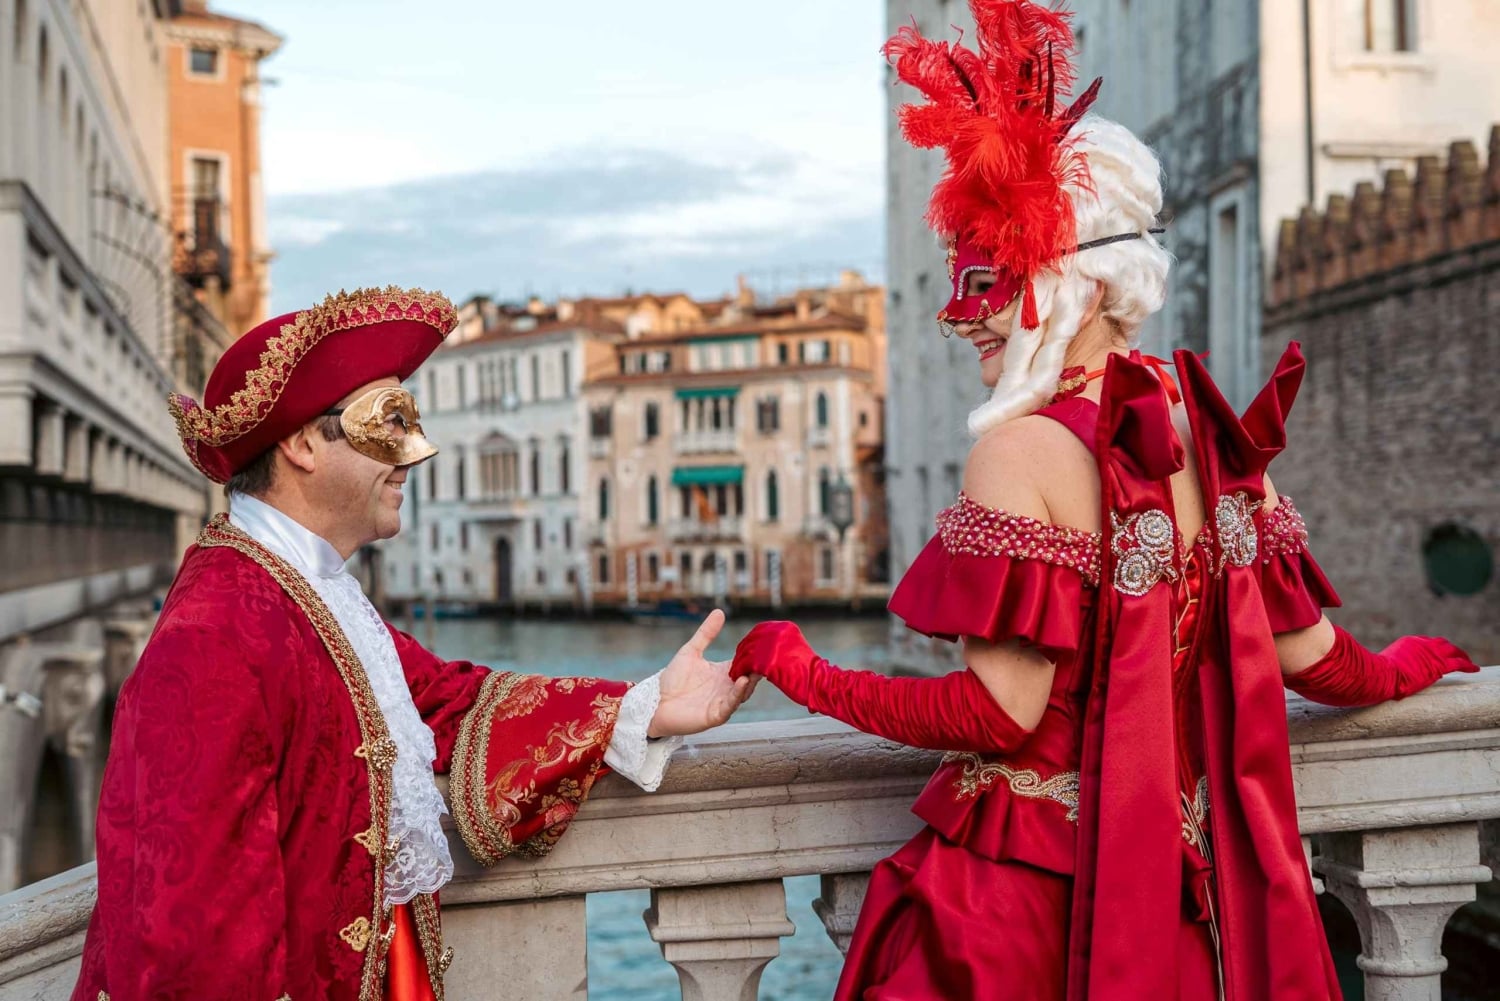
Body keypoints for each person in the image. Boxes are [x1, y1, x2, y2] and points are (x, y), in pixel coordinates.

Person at [729, 3, 1479, 999]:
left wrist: (797, 664)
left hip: (1017, 912)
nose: (965, 317)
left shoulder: (1021, 447)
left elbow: (997, 713)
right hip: (1177, 912)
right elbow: (1313, 660)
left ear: (1074, 281)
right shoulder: (1211, 426)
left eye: (989, 280)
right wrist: (1421, 662)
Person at [72, 286, 754, 1001]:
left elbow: (446, 699)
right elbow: (192, 942)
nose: (412, 458)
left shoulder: (310, 589)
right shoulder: (215, 631)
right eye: (385, 426)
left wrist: (642, 708)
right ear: (302, 443)